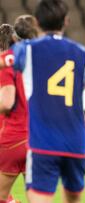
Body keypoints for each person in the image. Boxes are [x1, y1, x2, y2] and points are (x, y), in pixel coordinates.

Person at [0, 0, 85, 203]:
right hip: (76, 140)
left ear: (38, 22)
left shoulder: (28, 50)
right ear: (66, 21)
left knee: (38, 197)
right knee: (73, 197)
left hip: (43, 141)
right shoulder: (83, 53)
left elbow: (4, 62)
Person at [0, 24, 26, 203]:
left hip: (11, 138)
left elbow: (7, 103)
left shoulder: (4, 67)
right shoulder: (28, 66)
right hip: (37, 138)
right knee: (39, 196)